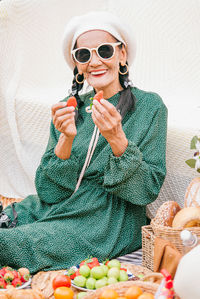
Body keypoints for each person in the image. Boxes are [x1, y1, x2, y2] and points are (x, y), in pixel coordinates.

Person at [0, 11, 167, 274]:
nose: (95, 61)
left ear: (122, 54)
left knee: (9, 244)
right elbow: (49, 193)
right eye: (84, 54)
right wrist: (65, 140)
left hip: (106, 221)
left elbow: (146, 191)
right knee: (9, 218)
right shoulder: (70, 109)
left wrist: (116, 138)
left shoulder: (149, 106)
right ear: (77, 64)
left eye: (104, 50)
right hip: (57, 207)